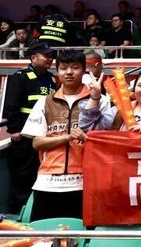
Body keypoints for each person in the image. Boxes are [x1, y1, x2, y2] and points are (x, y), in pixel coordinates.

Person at [23, 50, 114, 221]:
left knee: (80, 233)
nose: (69, 72)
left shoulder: (100, 100)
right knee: (41, 234)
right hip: (47, 182)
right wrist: (67, 137)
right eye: (64, 68)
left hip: (84, 182)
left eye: (75, 67)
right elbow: (37, 143)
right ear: (57, 71)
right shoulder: (45, 102)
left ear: (84, 70)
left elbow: (104, 140)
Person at [1, 42, 55, 214]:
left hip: (44, 135)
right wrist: (15, 129)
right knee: (23, 175)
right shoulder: (20, 77)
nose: (50, 59)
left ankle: (37, 211)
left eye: (51, 56)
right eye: (46, 55)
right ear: (33, 58)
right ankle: (18, 212)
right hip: (24, 135)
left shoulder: (51, 79)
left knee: (39, 173)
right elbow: (11, 105)